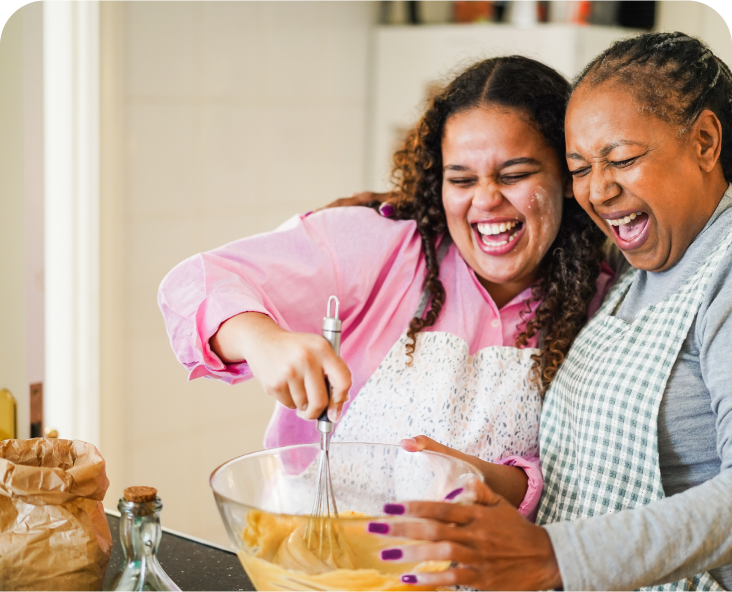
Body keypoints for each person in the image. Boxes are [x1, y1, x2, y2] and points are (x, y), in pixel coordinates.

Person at [158, 56, 610, 519]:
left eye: (514, 175)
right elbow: (193, 283)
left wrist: (476, 479)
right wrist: (261, 339)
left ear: (568, 177)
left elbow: (574, 474)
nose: (486, 199)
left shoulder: (603, 303)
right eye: (462, 179)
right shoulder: (377, 247)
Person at [372, 32, 732, 592]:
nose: (599, 191)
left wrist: (554, 555)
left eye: (622, 159)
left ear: (706, 141)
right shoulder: (633, 265)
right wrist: (380, 211)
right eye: (580, 167)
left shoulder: (725, 268)